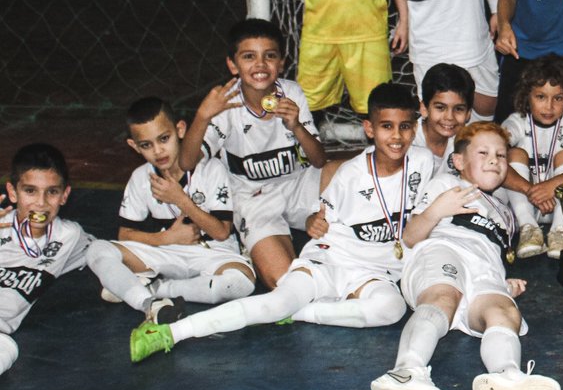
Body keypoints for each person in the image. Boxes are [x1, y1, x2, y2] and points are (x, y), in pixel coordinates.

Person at [130, 83, 431, 364]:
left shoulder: (423, 162)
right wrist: (314, 222)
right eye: (387, 127)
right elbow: (321, 217)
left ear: (415, 128)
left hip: (373, 270)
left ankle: (300, 312)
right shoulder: (351, 174)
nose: (397, 137)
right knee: (273, 303)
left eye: (405, 127)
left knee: (392, 309)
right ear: (369, 129)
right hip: (332, 257)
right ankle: (172, 332)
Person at [371, 122, 561, 390]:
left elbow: (488, 253)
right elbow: (410, 237)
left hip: (483, 269)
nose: (494, 160)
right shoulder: (447, 185)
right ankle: (406, 372)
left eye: (500, 155)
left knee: (504, 312)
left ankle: (506, 376)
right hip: (443, 252)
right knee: (443, 297)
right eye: (483, 152)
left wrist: (504, 283)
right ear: (459, 161)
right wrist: (437, 210)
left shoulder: (503, 211)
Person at [181, 18, 326, 290]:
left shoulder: (291, 92)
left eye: (269, 56)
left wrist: (296, 126)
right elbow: (186, 162)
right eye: (249, 57)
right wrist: (202, 116)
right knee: (286, 284)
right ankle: (266, 242)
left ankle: (316, 223)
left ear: (281, 63)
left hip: (297, 186)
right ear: (233, 65)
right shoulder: (225, 104)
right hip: (254, 199)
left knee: (346, 171)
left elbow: (319, 160)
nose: (260, 65)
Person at [87, 97, 254, 325]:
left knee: (239, 283)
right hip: (168, 252)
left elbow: (222, 232)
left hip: (213, 252)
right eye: (146, 145)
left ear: (181, 130)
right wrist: (166, 238)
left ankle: (157, 288)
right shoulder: (140, 178)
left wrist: (181, 200)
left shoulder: (211, 169)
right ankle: (147, 303)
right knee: (97, 249)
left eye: (164, 139)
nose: (158, 151)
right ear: (134, 146)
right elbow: (125, 235)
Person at [0, 144, 91, 377]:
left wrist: (165, 241)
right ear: (12, 192)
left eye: (51, 192)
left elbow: (108, 251)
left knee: (7, 349)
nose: (40, 203)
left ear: (64, 195)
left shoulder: (69, 236)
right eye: (30, 191)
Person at [502, 57, 563, 260]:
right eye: (541, 97)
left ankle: (560, 231)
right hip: (523, 204)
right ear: (527, 97)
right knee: (512, 154)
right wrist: (531, 190)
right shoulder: (516, 121)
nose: (549, 106)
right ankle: (528, 229)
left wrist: (553, 185)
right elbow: (493, 159)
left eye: (558, 98)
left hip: (560, 204)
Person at [414, 63, 475, 176]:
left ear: (468, 114)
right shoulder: (407, 140)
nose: (449, 117)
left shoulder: (467, 139)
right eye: (440, 108)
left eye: (458, 109)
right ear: (424, 109)